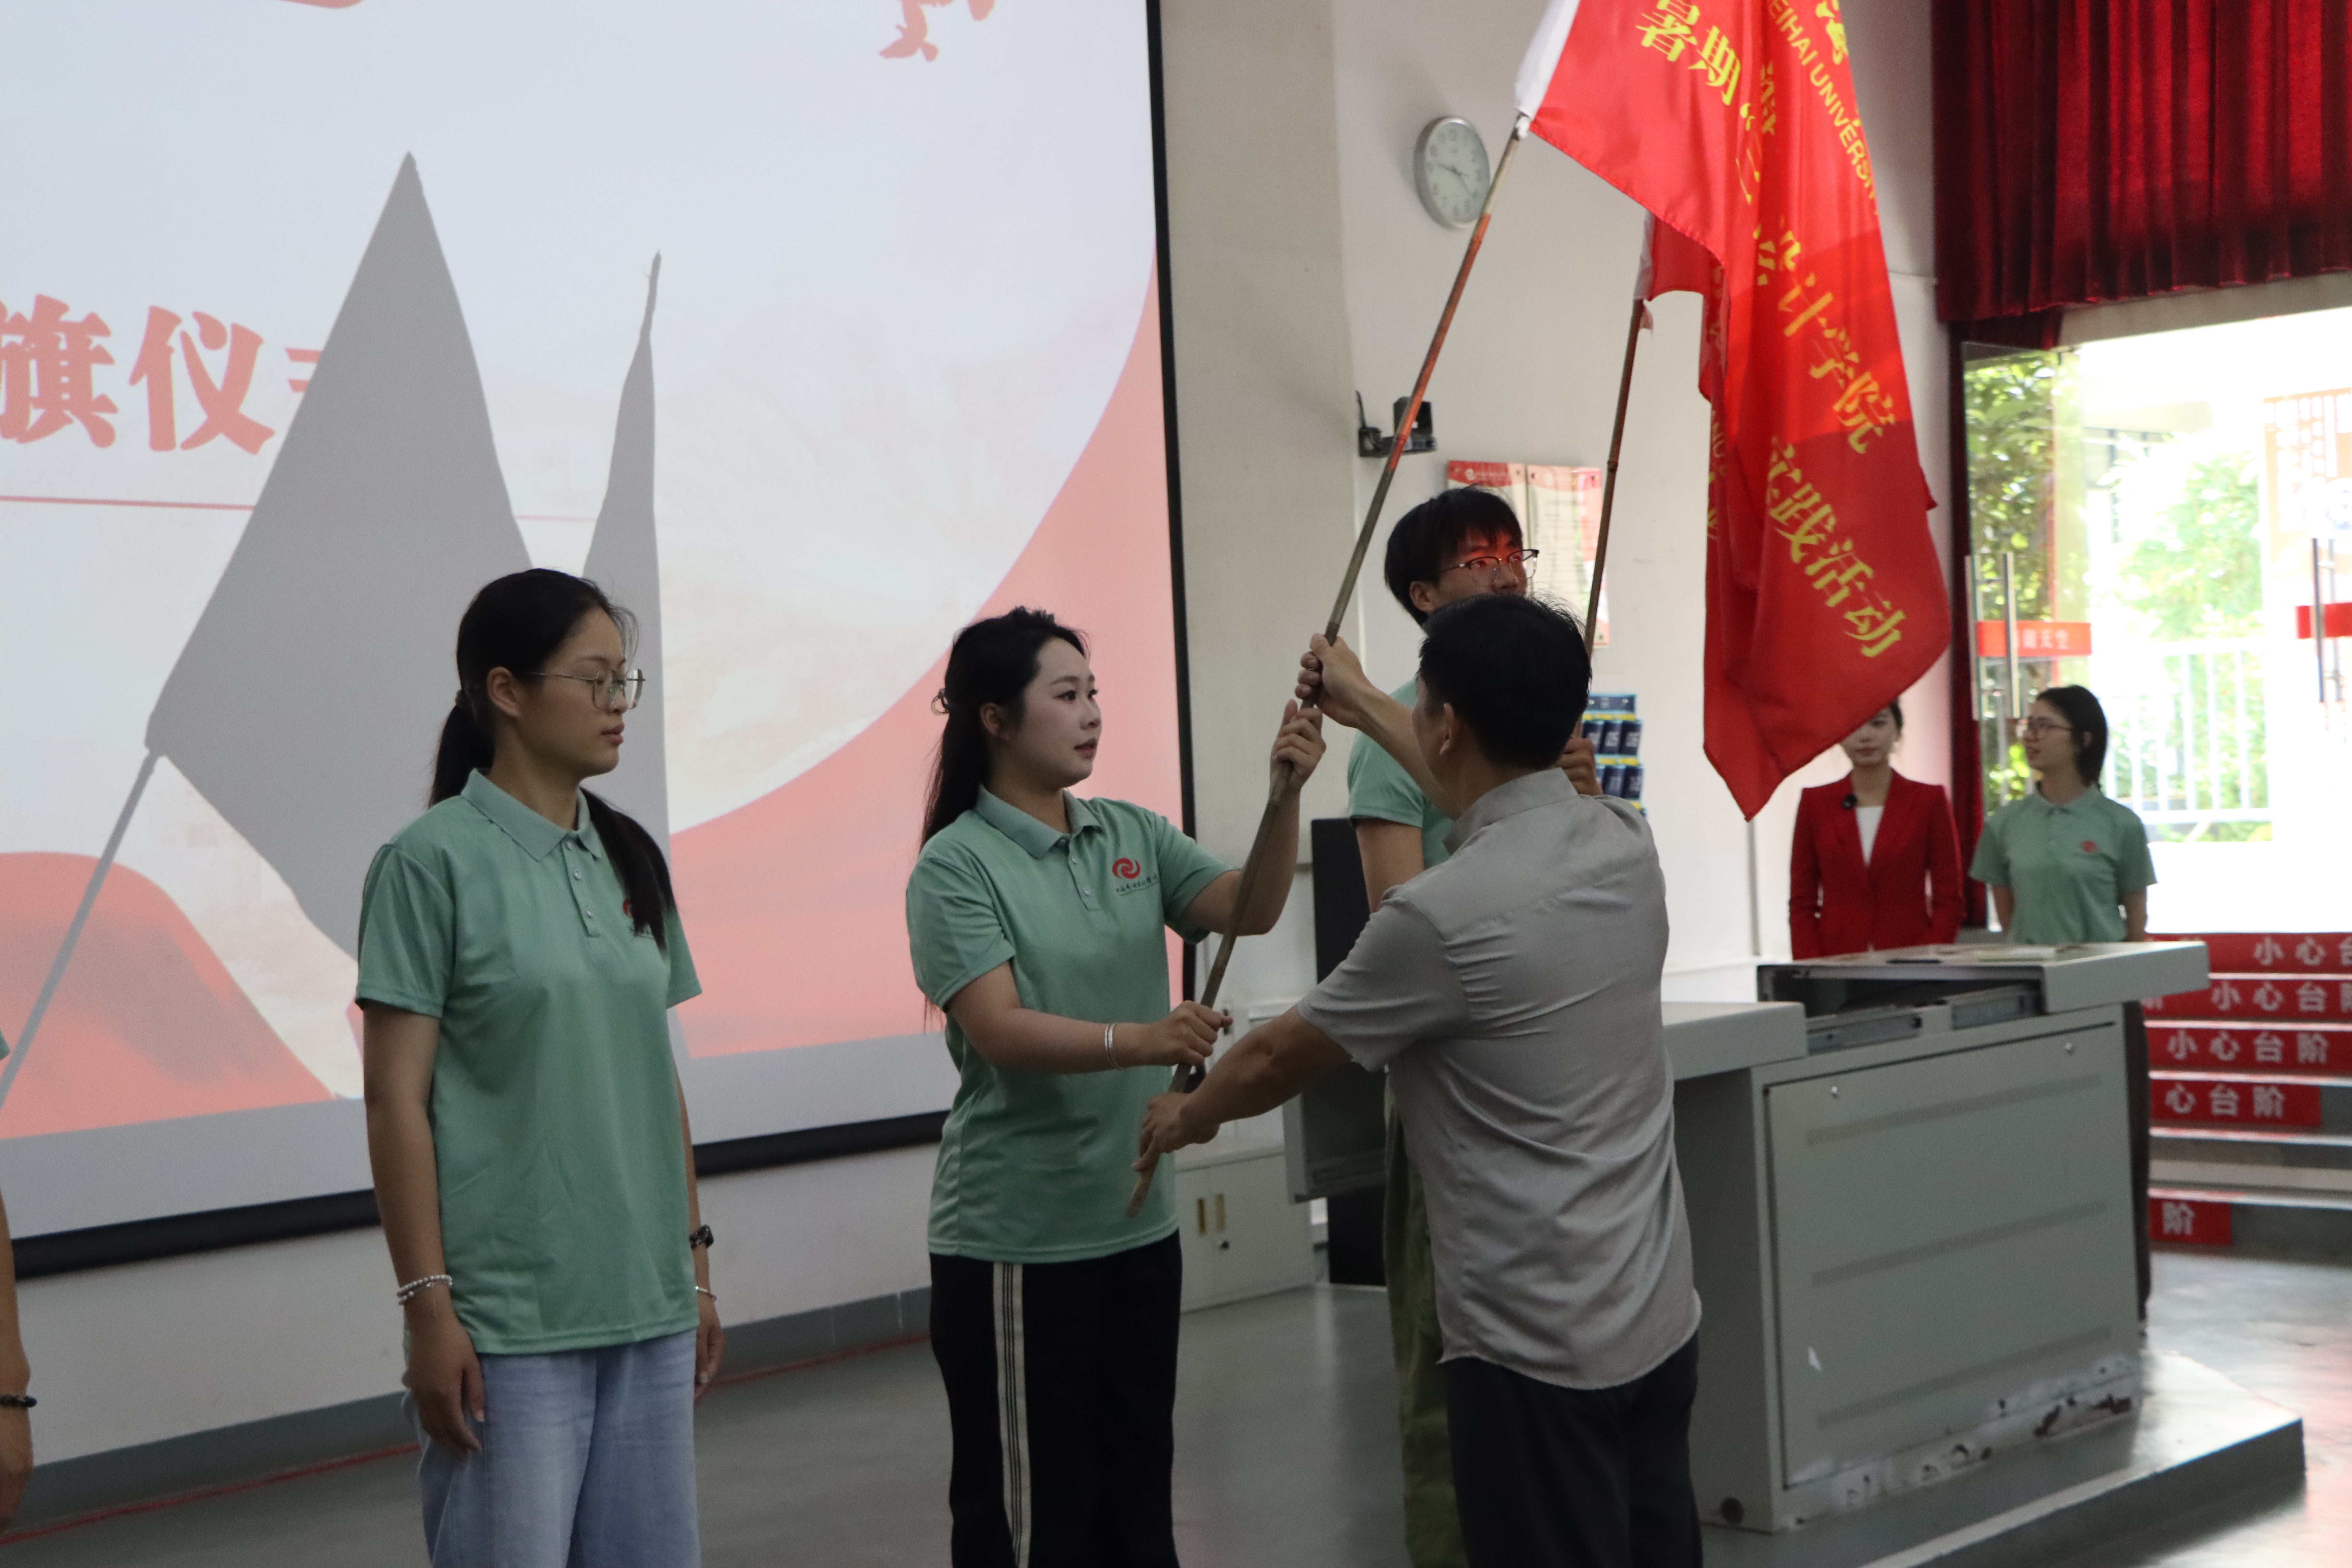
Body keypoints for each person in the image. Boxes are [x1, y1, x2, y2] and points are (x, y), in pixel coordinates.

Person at [1145, 593, 1701, 1568]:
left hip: (1535, 1350)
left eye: (1427, 707)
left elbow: (1278, 1056)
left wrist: (1187, 1114)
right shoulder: (1625, 840)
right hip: (1656, 1318)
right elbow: (1482, 782)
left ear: (1446, 725)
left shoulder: (1437, 917)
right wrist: (1363, 699)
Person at [906, 607, 1324, 1568]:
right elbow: (1000, 1028)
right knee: (1034, 1521)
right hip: (1019, 1239)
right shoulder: (955, 864)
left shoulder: (1128, 831)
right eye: (1066, 695)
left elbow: (1248, 907)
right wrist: (1145, 1039)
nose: (1092, 712)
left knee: (1136, 1504)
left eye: (1093, 692)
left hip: (1136, 1223)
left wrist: (1285, 796)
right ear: (994, 720)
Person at [358, 570, 720, 1568]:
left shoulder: (629, 853)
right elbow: (395, 1101)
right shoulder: (429, 861)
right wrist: (428, 1308)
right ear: (506, 690)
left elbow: (654, 1075)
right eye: (594, 678)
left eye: (624, 680)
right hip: (508, 1321)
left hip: (646, 1299)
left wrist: (694, 1269)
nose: (617, 703)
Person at [1343, 486, 1597, 1568]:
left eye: (1512, 551)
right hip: (1456, 1085)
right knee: (1450, 1344)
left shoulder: (1545, 731)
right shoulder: (1397, 735)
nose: (1504, 570)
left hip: (1555, 1064)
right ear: (1422, 594)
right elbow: (1397, 918)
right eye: (1477, 558)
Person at [1970, 685, 2156, 1315]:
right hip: (2033, 1006)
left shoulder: (2119, 825)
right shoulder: (2005, 825)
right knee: (2035, 1151)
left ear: (2083, 739)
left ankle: (2124, 1297)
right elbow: (2010, 920)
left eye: (2044, 725)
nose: (2030, 735)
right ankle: (2045, 1297)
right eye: (2028, 725)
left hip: (2107, 1003)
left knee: (2118, 1148)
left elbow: (2136, 928)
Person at [1788, 700, 1963, 957]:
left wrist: (1932, 956)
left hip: (1912, 953)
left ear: (1897, 731)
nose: (1865, 736)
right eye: (1853, 727)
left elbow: (1949, 897)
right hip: (1836, 957)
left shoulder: (1929, 801)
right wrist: (1811, 963)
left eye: (1878, 724)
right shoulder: (1815, 803)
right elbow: (1802, 900)